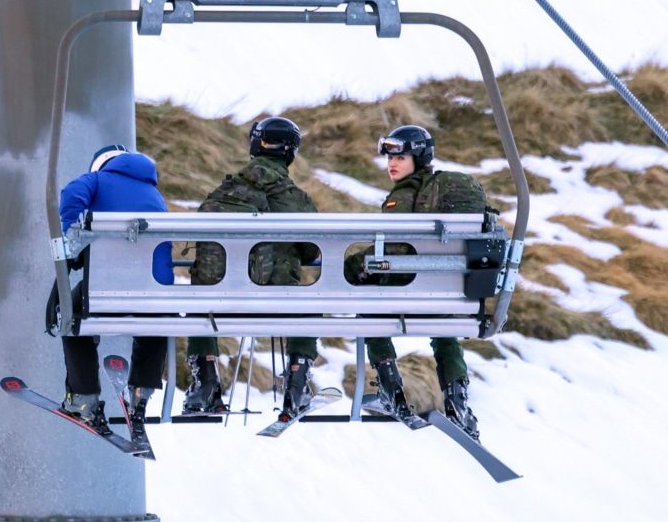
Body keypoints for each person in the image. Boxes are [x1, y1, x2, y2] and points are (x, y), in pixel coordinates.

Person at [344, 125, 485, 440]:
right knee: (444, 332)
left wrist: (354, 264)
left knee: (368, 312)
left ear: (419, 159)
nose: (392, 164)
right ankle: (458, 403)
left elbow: (394, 249)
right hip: (446, 292)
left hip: (407, 288)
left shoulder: (405, 193)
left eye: (401, 157)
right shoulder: (440, 191)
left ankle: (391, 392)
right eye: (390, 157)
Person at [184, 117, 321, 420]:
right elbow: (313, 249)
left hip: (217, 304)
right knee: (312, 306)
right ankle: (297, 383)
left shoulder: (223, 191)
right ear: (291, 152)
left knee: (197, 302)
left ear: (255, 146)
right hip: (275, 302)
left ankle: (205, 382)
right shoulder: (295, 199)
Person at [47, 144, 173, 436]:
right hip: (155, 294)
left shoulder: (97, 180)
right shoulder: (154, 193)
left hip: (107, 289)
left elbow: (71, 195)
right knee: (156, 319)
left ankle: (83, 399)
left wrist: (73, 240)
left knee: (72, 313)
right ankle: (141, 394)